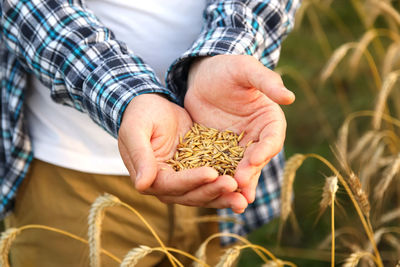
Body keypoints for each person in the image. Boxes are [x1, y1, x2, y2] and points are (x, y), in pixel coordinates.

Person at [0, 0, 299, 266]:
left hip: (221, 167)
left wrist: (227, 48)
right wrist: (127, 94)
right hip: (71, 170)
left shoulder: (221, 149)